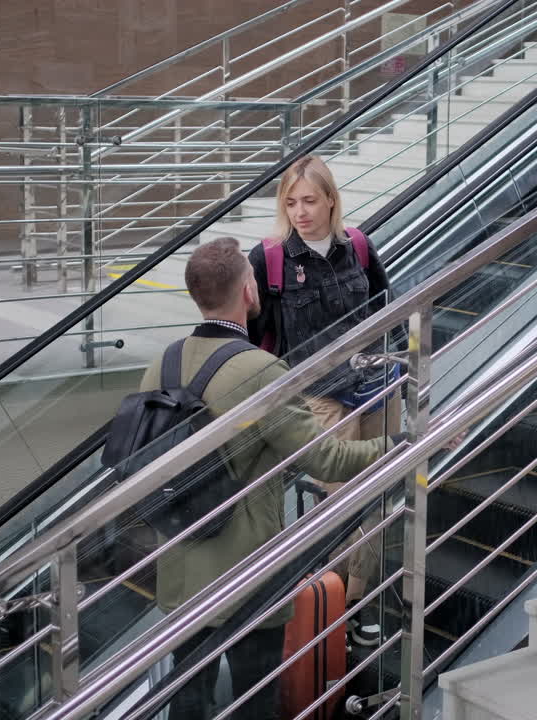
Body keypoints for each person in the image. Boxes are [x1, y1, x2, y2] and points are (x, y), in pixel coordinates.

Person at [142, 237, 398, 720]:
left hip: (179, 567)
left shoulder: (165, 361)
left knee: (187, 698)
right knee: (252, 699)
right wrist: (399, 442)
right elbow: (325, 459)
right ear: (247, 291)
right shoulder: (261, 371)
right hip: (245, 572)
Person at [247, 155, 399, 647]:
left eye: (309, 200)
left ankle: (356, 600)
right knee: (333, 502)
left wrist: (399, 364)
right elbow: (251, 335)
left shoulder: (357, 245)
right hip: (319, 398)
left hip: (376, 386)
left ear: (331, 199)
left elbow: (384, 306)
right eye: (290, 202)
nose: (300, 212)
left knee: (375, 495)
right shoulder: (270, 259)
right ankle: (327, 601)